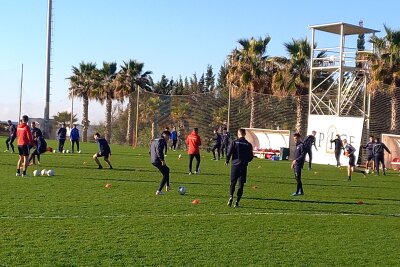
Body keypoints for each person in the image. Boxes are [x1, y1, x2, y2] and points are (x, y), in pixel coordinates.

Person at [225, 128, 253, 207]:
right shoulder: (248, 144)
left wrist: (227, 160)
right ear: (245, 134)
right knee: (241, 185)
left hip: (235, 165)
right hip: (243, 166)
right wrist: (246, 160)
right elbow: (251, 157)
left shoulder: (234, 142)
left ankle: (231, 197)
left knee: (232, 183)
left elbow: (229, 152)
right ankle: (237, 202)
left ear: (238, 134)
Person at [150, 131, 171, 195]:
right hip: (157, 160)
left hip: (153, 159)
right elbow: (159, 151)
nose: (168, 138)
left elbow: (150, 150)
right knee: (166, 172)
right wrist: (162, 160)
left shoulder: (156, 139)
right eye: (168, 136)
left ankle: (167, 186)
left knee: (166, 170)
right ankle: (159, 191)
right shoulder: (161, 141)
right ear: (164, 135)